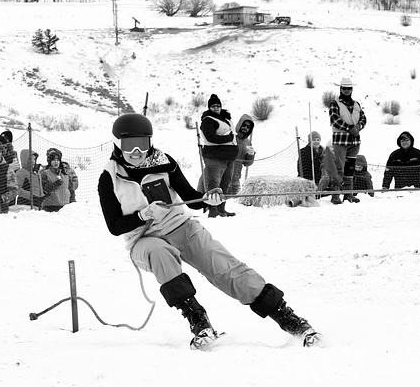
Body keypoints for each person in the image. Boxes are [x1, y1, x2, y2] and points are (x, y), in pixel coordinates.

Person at [98, 113, 320, 350]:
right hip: (143, 239)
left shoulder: (164, 162)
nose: (136, 152)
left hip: (181, 227)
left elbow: (190, 197)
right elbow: (114, 226)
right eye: (129, 145)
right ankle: (198, 320)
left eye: (142, 144)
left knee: (223, 266)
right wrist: (143, 215)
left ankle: (288, 318)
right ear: (117, 144)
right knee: (159, 252)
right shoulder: (109, 178)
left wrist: (207, 199)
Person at [328, 78, 366, 203]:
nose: (346, 90)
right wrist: (350, 128)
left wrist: (359, 126)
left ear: (352, 89)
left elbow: (363, 118)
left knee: (350, 168)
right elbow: (335, 120)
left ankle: (348, 194)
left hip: (354, 142)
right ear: (340, 89)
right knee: (339, 168)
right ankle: (335, 195)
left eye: (349, 88)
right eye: (344, 88)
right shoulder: (334, 103)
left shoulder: (356, 104)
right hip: (340, 141)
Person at [199, 94, 238, 217]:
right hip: (214, 157)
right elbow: (210, 137)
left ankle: (221, 209)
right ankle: (213, 210)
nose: (216, 108)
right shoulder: (208, 120)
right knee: (214, 184)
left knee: (225, 184)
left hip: (228, 157)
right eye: (213, 106)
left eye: (218, 106)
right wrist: (228, 138)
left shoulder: (225, 119)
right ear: (209, 107)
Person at [227, 114, 256, 195]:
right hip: (224, 177)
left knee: (235, 201)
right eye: (244, 125)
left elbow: (247, 163)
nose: (245, 128)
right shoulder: (231, 137)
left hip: (236, 179)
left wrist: (251, 155)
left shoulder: (248, 142)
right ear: (240, 124)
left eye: (248, 127)